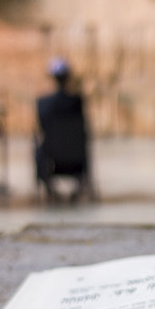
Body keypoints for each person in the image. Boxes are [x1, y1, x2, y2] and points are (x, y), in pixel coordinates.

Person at [35, 57, 92, 202]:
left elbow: (42, 126)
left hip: (52, 152)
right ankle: (81, 184)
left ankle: (46, 187)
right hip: (75, 153)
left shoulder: (43, 103)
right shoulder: (77, 102)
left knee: (37, 147)